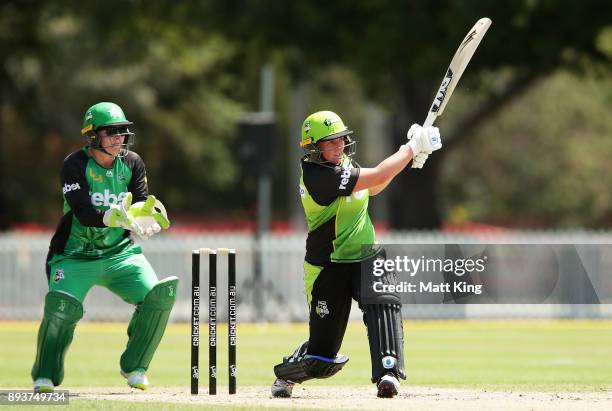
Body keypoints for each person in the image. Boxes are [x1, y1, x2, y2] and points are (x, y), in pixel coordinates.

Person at [271, 111, 441, 398]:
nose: (339, 146)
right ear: (314, 148)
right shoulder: (317, 177)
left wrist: (410, 157)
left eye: (341, 140)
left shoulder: (343, 164)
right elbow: (379, 174)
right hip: (328, 265)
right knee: (322, 360)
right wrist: (409, 148)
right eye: (330, 142)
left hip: (365, 255)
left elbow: (373, 186)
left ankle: (388, 373)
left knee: (384, 302)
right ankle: (289, 371)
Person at [31, 102, 175, 393]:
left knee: (158, 296)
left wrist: (145, 219)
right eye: (111, 132)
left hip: (119, 254)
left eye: (122, 132)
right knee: (62, 309)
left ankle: (135, 366)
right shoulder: (75, 164)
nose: (119, 138)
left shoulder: (132, 162)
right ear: (93, 135)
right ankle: (45, 375)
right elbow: (83, 212)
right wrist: (110, 217)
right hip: (73, 255)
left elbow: (140, 202)